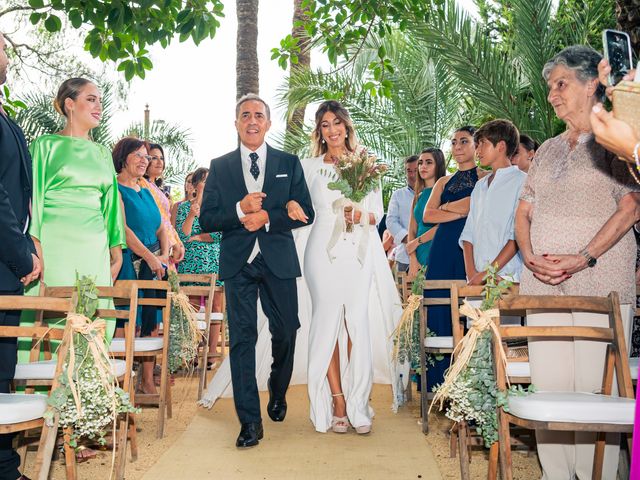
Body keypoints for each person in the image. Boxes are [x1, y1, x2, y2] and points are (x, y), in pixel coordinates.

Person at [514, 45, 640, 479]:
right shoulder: (547, 149)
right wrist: (529, 256)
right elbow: (524, 210)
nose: (552, 93)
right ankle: (555, 474)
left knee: (593, 398)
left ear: (592, 85)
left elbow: (631, 207)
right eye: (550, 86)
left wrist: (583, 256)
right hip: (542, 287)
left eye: (561, 83)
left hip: (598, 285)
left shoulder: (615, 141)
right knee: (549, 394)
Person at [199, 94, 315, 448]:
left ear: (268, 123)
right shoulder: (220, 166)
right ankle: (249, 422)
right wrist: (238, 209)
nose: (252, 121)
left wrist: (267, 216)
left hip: (277, 259)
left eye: (259, 115)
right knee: (243, 340)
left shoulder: (288, 162)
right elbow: (207, 219)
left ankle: (277, 391)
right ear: (236, 123)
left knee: (286, 331)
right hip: (238, 264)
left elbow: (306, 212)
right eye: (245, 115)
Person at [297, 100, 404, 434]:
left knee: (356, 322)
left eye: (336, 122)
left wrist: (360, 216)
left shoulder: (367, 164)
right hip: (321, 252)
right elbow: (299, 205)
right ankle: (337, 401)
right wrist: (289, 204)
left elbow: (377, 215)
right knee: (327, 322)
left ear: (346, 125)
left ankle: (359, 403)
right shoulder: (308, 167)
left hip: (357, 248)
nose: (332, 130)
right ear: (319, 131)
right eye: (324, 124)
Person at [24, 77, 126, 342]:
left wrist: (116, 250)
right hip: (54, 243)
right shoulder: (44, 146)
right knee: (50, 314)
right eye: (90, 99)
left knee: (96, 314)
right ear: (69, 104)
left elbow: (111, 204)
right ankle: (41, 380)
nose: (98, 107)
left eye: (100, 101)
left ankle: (90, 380)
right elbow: (32, 200)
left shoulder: (103, 153)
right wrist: (35, 245)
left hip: (94, 246)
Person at [0, 31, 41, 480]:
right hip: (5, 259)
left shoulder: (7, 119)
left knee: (4, 366)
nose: (7, 57)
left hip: (7, 265)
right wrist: (23, 253)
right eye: (3, 49)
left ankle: (5, 464)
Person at [422, 126, 483, 391]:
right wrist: (461, 210)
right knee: (440, 305)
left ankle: (468, 383)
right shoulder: (443, 182)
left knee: (469, 307)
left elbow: (477, 208)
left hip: (470, 246)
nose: (458, 146)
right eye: (454, 142)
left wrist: (446, 208)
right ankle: (439, 383)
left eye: (464, 141)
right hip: (442, 247)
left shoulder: (486, 177)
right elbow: (427, 216)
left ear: (476, 145)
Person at [114, 137, 169, 395]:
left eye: (146, 156)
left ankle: (146, 381)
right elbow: (122, 230)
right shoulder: (115, 190)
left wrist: (164, 255)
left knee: (152, 322)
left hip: (155, 264)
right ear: (123, 157)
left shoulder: (146, 192)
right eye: (138, 154)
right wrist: (149, 257)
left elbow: (160, 227)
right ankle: (120, 384)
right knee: (129, 322)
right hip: (129, 262)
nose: (143, 160)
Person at [460, 119, 526, 285]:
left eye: (483, 143)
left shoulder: (522, 181)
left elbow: (517, 235)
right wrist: (473, 274)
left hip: (506, 277)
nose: (478, 150)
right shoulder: (480, 186)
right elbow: (468, 234)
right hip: (475, 278)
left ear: (501, 146)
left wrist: (488, 273)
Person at [175, 167, 224, 362]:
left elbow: (220, 234)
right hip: (190, 263)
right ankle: (192, 351)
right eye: (203, 180)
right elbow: (181, 236)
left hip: (212, 261)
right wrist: (192, 215)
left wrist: (199, 237)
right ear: (194, 185)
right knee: (191, 307)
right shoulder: (182, 207)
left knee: (215, 307)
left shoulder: (219, 207)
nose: (208, 183)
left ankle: (211, 353)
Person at [139, 143, 184, 269]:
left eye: (162, 158)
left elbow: (167, 219)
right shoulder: (142, 183)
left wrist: (178, 243)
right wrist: (173, 243)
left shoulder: (155, 187)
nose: (159, 162)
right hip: (157, 245)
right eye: (154, 158)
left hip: (168, 243)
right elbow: (158, 218)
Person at [407, 148, 446, 279]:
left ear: (438, 165)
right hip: (417, 255)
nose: (423, 166)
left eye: (429, 162)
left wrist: (416, 242)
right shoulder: (418, 196)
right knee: (417, 298)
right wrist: (412, 258)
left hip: (437, 250)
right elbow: (412, 229)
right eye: (420, 163)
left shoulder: (445, 193)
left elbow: (443, 226)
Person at [386, 155, 418, 272]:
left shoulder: (433, 193)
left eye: (415, 170)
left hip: (430, 257)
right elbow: (390, 221)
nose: (412, 175)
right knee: (403, 291)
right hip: (404, 258)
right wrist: (409, 239)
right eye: (409, 171)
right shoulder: (398, 195)